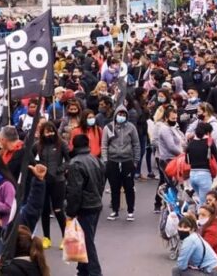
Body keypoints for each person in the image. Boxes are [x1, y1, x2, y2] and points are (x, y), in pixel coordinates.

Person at [65, 134, 106, 276]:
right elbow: (102, 183)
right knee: (86, 239)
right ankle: (82, 270)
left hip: (85, 207)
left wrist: (71, 211)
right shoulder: (96, 160)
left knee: (87, 243)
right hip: (95, 204)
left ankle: (94, 272)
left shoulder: (75, 164)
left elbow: (74, 191)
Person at [34, 121, 69, 249]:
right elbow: (31, 159)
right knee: (44, 210)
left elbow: (69, 160)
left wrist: (60, 170)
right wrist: (37, 170)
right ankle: (46, 238)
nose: (50, 134)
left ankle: (65, 237)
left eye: (52, 131)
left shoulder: (62, 144)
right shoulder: (38, 146)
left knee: (59, 210)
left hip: (58, 181)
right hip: (43, 181)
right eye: (47, 131)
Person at [101, 106, 140, 221]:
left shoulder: (131, 128)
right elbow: (104, 145)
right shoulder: (108, 128)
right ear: (115, 115)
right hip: (112, 161)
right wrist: (105, 160)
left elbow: (136, 144)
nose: (121, 117)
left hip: (127, 161)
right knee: (114, 187)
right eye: (120, 114)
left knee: (129, 187)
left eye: (124, 115)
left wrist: (136, 161)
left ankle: (130, 211)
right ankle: (115, 210)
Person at [154, 105, 186, 213]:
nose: (175, 120)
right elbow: (171, 146)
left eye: (176, 118)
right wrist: (183, 154)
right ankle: (168, 205)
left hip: (175, 159)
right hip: (167, 159)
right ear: (166, 118)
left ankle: (168, 204)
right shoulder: (164, 129)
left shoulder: (174, 127)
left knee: (171, 183)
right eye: (172, 119)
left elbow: (182, 140)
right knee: (170, 183)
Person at [186, 123, 217, 202]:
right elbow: (216, 157)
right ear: (208, 133)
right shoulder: (209, 142)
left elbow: (187, 161)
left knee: (200, 199)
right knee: (205, 203)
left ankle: (197, 212)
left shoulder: (191, 143)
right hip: (204, 175)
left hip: (192, 175)